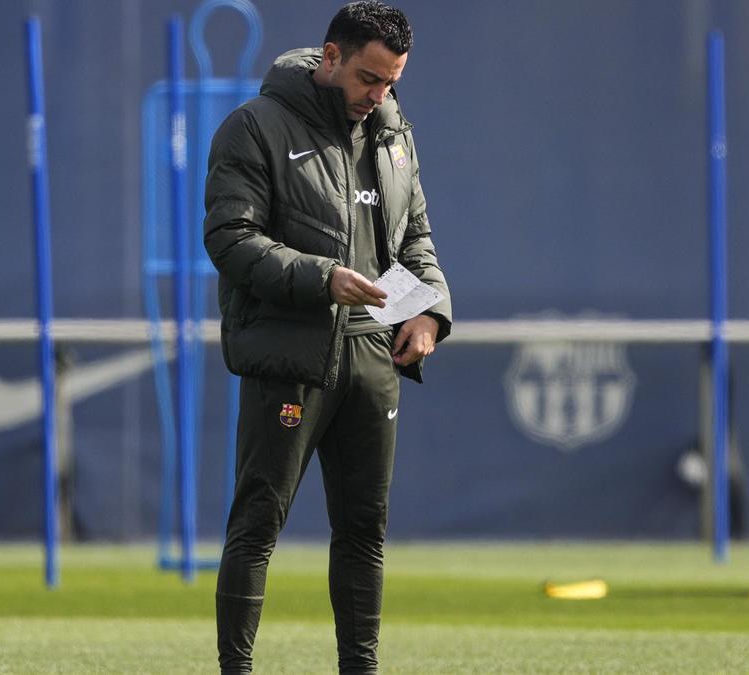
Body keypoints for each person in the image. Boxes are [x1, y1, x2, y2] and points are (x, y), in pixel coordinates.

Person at [202, 2, 451, 673]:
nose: (381, 95)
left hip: (373, 360)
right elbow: (229, 239)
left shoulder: (394, 133)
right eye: (370, 78)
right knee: (258, 523)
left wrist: (431, 312)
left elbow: (416, 241)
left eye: (393, 80)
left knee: (365, 531)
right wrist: (322, 279)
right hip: (290, 357)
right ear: (330, 57)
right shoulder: (254, 128)